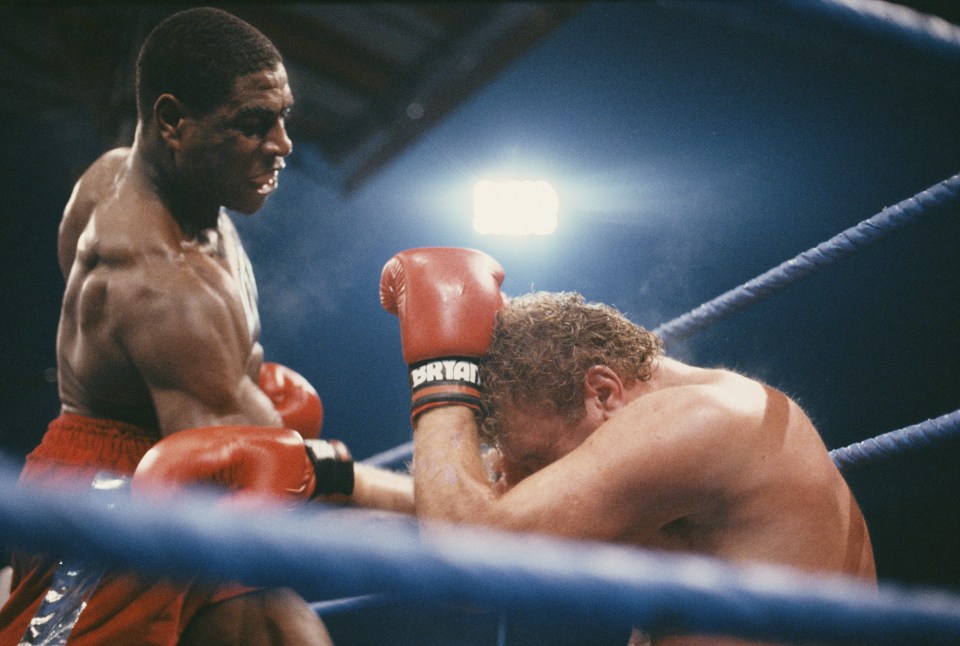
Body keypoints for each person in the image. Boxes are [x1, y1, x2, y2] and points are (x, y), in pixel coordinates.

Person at [0, 8, 412, 646]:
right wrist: (442, 499)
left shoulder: (127, 175)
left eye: (282, 116)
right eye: (252, 124)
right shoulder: (161, 284)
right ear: (171, 122)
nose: (282, 143)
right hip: (111, 491)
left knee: (288, 634)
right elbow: (267, 471)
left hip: (174, 455)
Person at [380, 247, 875, 646]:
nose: (513, 480)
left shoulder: (701, 418)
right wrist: (341, 477)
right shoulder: (678, 454)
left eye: (533, 460)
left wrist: (440, 375)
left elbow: (467, 564)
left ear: (603, 393)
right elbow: (461, 512)